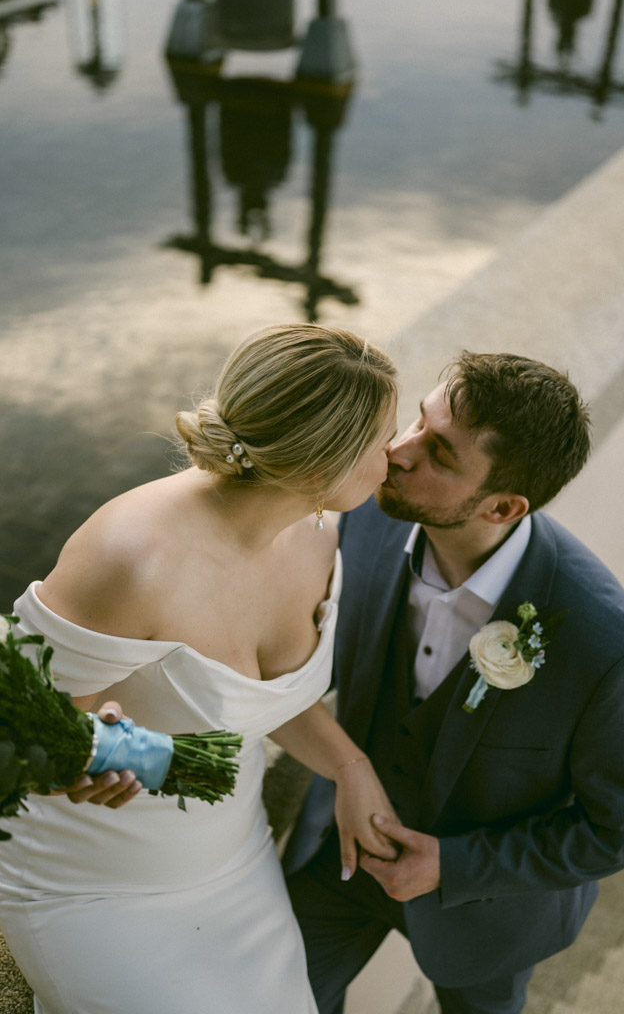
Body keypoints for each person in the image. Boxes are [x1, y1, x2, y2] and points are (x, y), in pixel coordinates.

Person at [0, 323, 401, 1014]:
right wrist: (86, 751)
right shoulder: (133, 557)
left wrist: (349, 767)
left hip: (230, 863)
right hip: (95, 883)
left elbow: (257, 701)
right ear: (318, 470)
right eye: (379, 443)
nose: (392, 458)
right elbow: (21, 721)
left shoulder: (315, 535)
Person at [285, 350, 624, 1014]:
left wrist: (453, 866)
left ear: (500, 506)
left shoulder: (605, 645)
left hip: (490, 911)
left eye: (439, 453)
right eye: (417, 421)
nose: (398, 452)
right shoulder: (367, 518)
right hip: (339, 857)